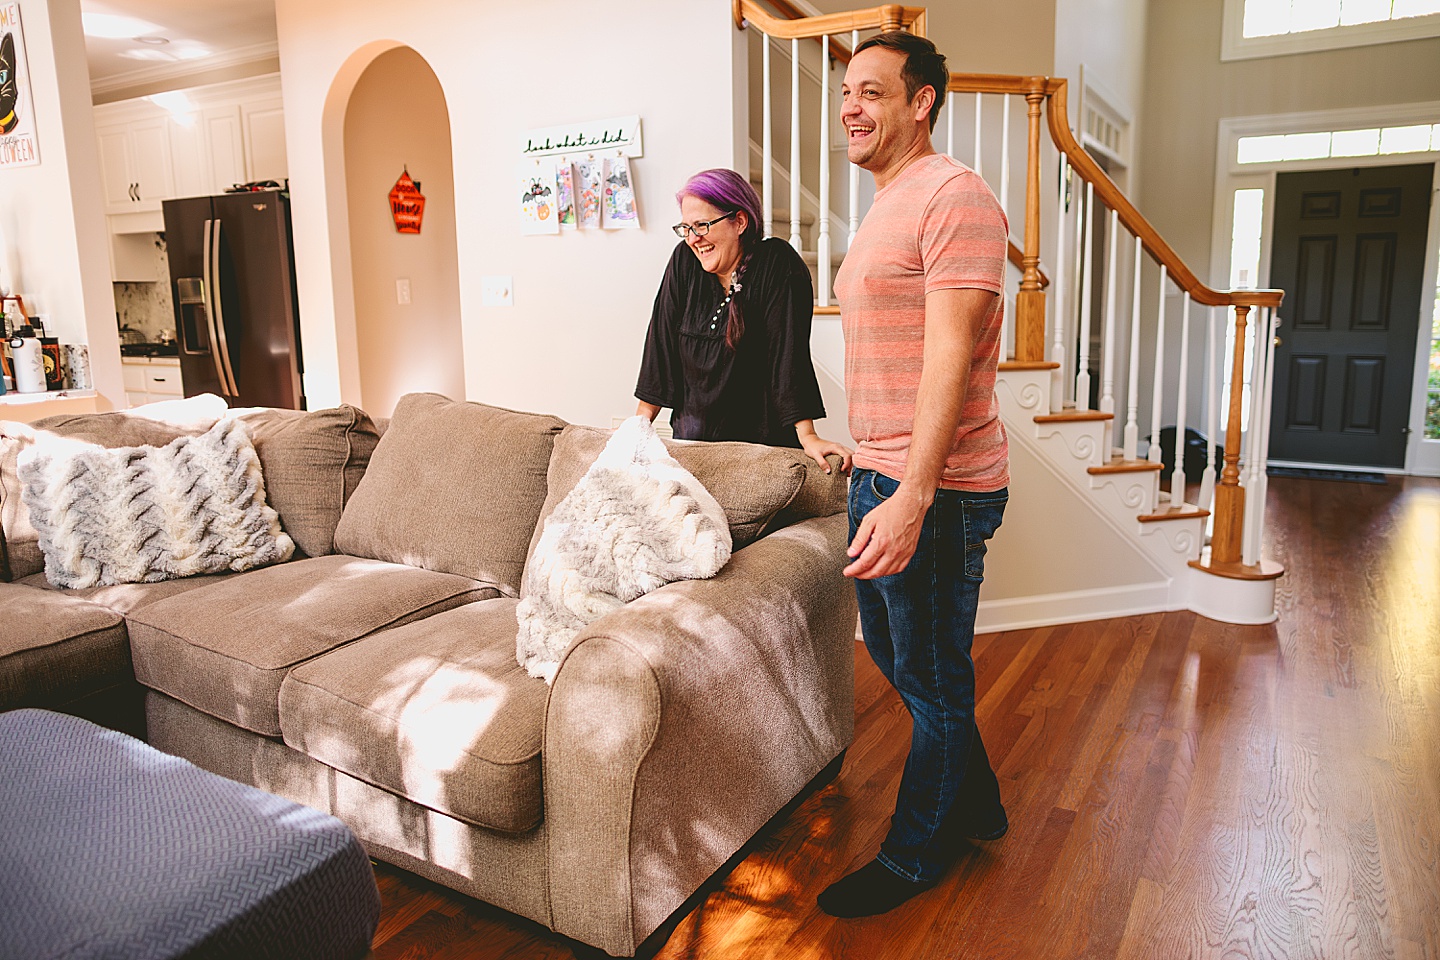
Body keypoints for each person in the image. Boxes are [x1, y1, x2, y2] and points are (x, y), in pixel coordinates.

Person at [818, 31, 1011, 918]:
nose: (851, 107)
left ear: (922, 100)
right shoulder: (886, 203)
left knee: (931, 676)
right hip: (881, 471)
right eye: (847, 92)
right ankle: (975, 802)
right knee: (903, 660)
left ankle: (915, 853)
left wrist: (913, 494)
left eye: (872, 91)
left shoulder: (955, 195)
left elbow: (949, 355)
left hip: (933, 486)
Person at [635, 168, 851, 472]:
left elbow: (787, 356)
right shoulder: (684, 262)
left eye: (702, 225)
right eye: (686, 228)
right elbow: (660, 348)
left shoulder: (777, 264)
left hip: (759, 454)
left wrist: (809, 435)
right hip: (692, 449)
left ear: (739, 221)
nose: (694, 239)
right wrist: (636, 431)